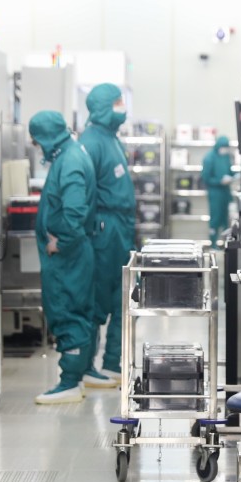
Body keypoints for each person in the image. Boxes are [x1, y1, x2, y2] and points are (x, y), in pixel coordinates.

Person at [28, 110, 98, 404]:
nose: (36, 146)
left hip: (67, 255)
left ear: (45, 137)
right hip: (74, 252)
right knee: (78, 310)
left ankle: (69, 381)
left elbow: (74, 210)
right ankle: (77, 374)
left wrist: (63, 241)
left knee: (67, 310)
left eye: (35, 141)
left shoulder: (69, 161)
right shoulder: (70, 153)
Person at [77, 83, 136, 388]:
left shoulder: (112, 139)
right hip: (104, 229)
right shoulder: (91, 141)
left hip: (122, 228)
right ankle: (87, 366)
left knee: (122, 296)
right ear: (101, 106)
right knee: (98, 297)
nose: (121, 107)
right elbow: (84, 192)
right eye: (116, 102)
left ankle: (113, 362)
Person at [201, 135, 235, 246]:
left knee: (226, 219)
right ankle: (213, 243)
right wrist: (220, 181)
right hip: (215, 193)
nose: (225, 149)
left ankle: (225, 244)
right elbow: (206, 178)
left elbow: (229, 171)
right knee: (215, 218)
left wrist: (234, 176)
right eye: (223, 147)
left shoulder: (226, 157)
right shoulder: (209, 158)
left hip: (226, 192)